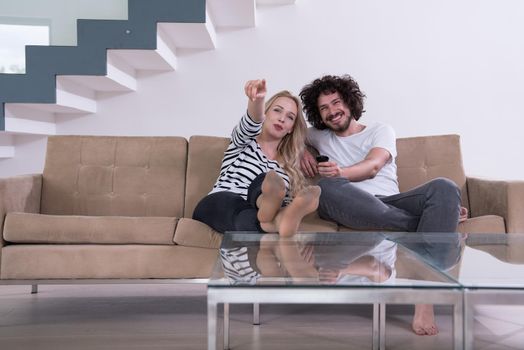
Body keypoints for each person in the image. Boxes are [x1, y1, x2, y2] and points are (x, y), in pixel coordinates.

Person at [299, 74, 467, 336]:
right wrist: (302, 150)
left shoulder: (381, 130)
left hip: (388, 202)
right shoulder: (316, 136)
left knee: (445, 186)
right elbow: (285, 131)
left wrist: (340, 171)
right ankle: (432, 225)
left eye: (336, 102)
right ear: (318, 115)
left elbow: (373, 167)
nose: (332, 111)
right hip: (346, 203)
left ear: (349, 102)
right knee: (326, 187)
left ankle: (425, 299)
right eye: (324, 108)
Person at [193, 79, 320, 238]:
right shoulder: (243, 142)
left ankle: (274, 218)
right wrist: (258, 99)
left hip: (252, 219)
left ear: (291, 129)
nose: (282, 119)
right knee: (262, 187)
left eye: (290, 117)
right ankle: (272, 215)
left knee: (266, 190)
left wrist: (302, 149)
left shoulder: (288, 168)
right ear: (265, 114)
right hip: (219, 203)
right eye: (277, 110)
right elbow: (253, 121)